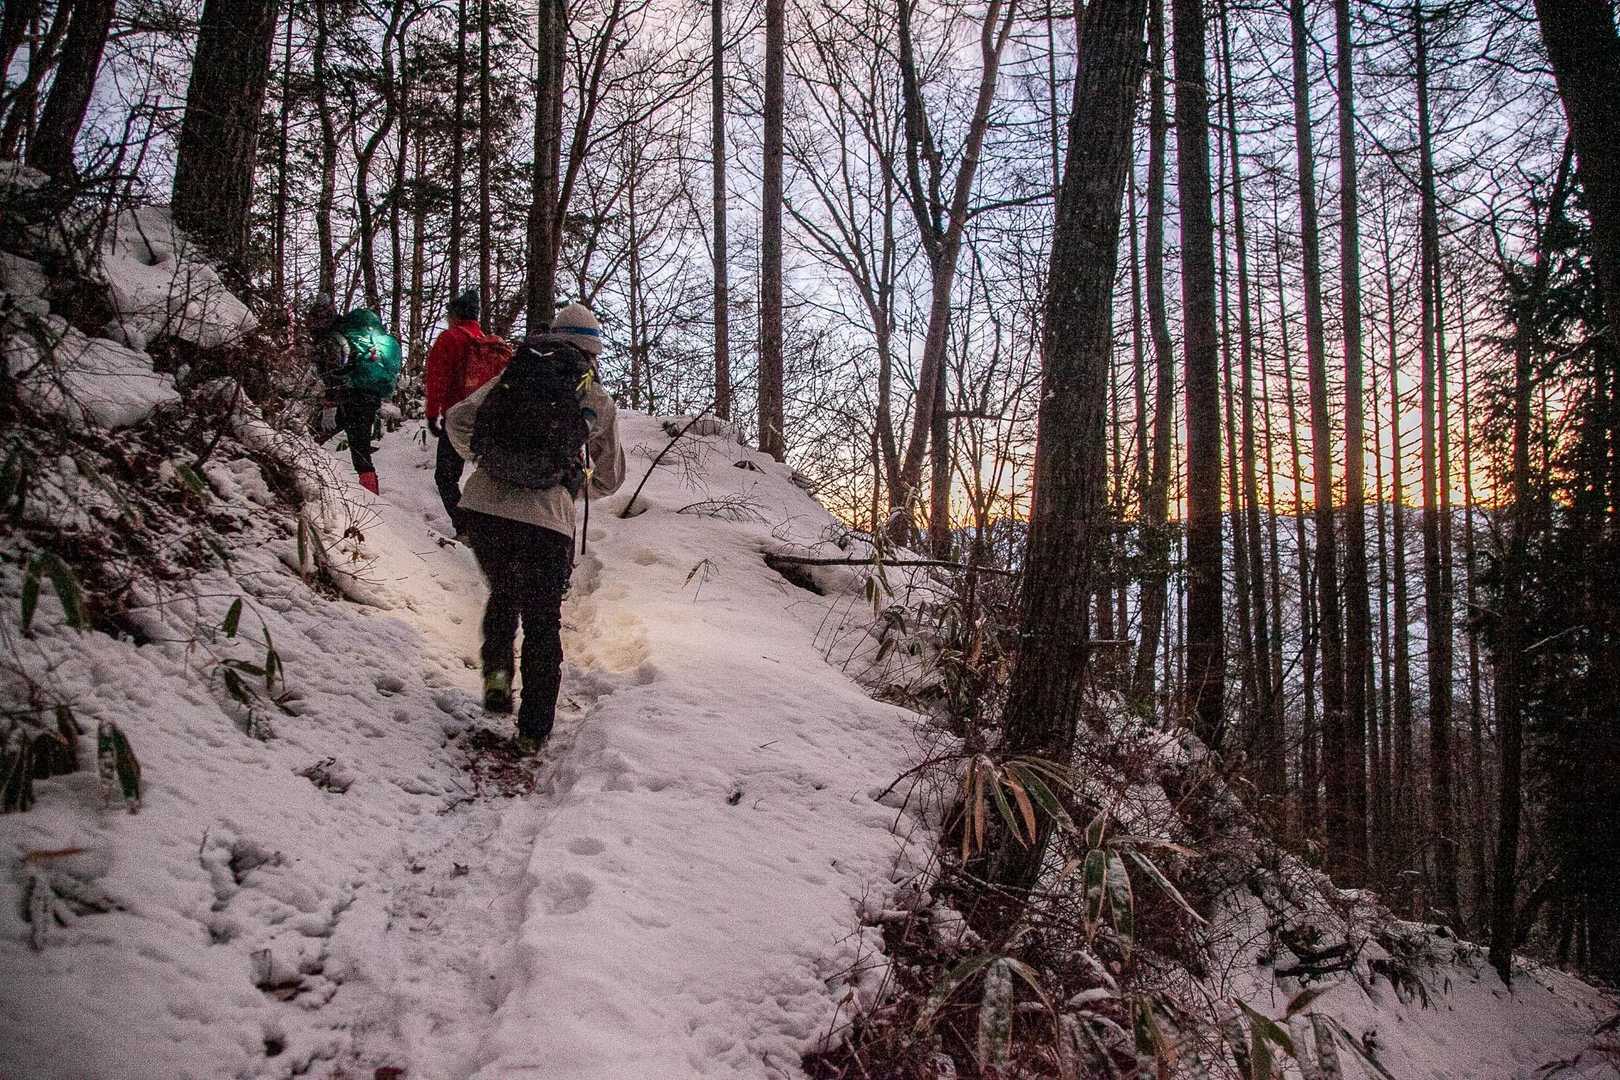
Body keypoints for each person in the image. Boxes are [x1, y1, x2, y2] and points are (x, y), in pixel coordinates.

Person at [445, 303, 624, 753]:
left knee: (504, 592)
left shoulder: (514, 374)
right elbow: (610, 477)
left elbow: (458, 419)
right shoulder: (595, 397)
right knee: (542, 620)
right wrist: (567, 485)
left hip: (484, 508)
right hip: (547, 522)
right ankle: (532, 731)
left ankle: (497, 679)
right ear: (592, 351)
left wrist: (486, 461)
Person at [423, 288, 511, 539]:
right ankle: (495, 530)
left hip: (457, 419)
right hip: (488, 420)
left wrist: (432, 414)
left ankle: (467, 530)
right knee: (487, 478)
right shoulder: (486, 342)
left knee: (446, 477)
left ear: (455, 315)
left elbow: (437, 380)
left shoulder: (450, 339)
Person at [314, 302, 403, 494]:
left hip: (349, 397)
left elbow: (333, 373)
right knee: (360, 448)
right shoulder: (353, 334)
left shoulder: (333, 339)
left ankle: (309, 477)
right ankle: (371, 494)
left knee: (315, 435)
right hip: (370, 396)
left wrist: (330, 403)